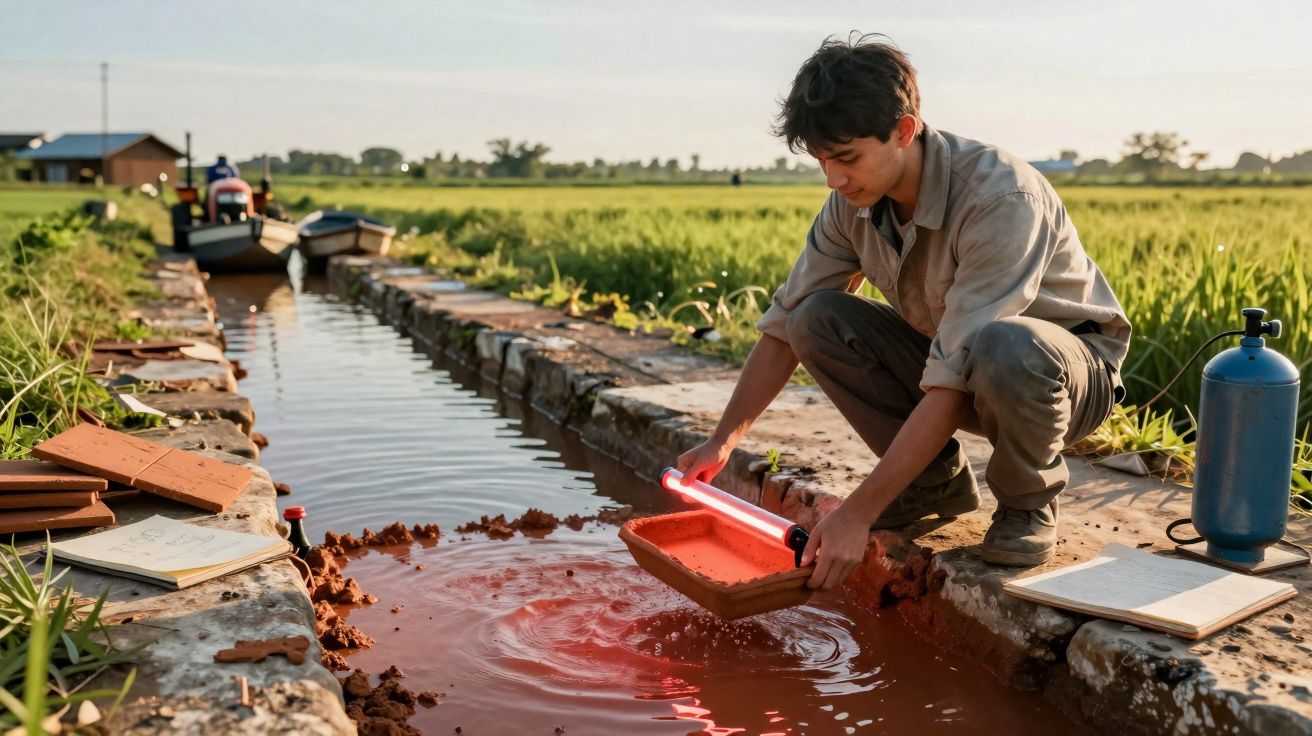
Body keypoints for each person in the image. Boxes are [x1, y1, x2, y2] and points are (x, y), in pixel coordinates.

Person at [676, 34, 1130, 590]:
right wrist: (721, 442)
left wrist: (858, 512)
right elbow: (782, 330)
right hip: (956, 363)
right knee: (814, 318)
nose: (834, 179)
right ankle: (931, 486)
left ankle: (1027, 504)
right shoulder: (851, 205)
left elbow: (956, 368)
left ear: (904, 131)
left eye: (847, 158)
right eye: (822, 161)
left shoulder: (999, 199)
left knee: (1003, 344)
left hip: (1058, 379)